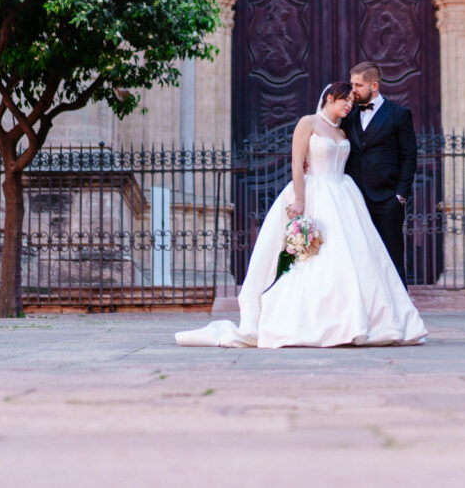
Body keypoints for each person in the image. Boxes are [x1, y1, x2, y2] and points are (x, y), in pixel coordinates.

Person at [175, 81, 426, 348]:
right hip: (314, 192)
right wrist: (300, 199)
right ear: (330, 98)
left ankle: (357, 319)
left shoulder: (343, 132)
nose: (349, 105)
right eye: (345, 101)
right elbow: (297, 162)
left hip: (344, 196)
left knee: (354, 260)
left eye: (352, 102)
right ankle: (303, 320)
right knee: (308, 258)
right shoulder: (308, 123)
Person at [341, 61, 417, 285]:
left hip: (386, 199)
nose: (353, 89)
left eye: (358, 85)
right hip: (353, 198)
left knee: (392, 257)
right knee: (358, 257)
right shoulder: (348, 115)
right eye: (352, 84)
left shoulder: (399, 114)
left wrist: (400, 196)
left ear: (374, 85)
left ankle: (399, 312)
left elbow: (409, 156)